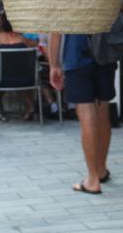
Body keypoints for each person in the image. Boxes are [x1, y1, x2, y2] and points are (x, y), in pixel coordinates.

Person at [49, 32, 114, 194]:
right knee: (103, 113)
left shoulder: (66, 4)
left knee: (86, 115)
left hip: (76, 56)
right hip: (105, 54)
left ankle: (92, 179)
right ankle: (101, 169)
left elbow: (55, 32)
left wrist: (54, 65)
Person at [0, 11, 34, 122]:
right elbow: (34, 47)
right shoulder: (22, 39)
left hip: (3, 79)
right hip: (24, 79)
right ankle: (30, 108)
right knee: (19, 77)